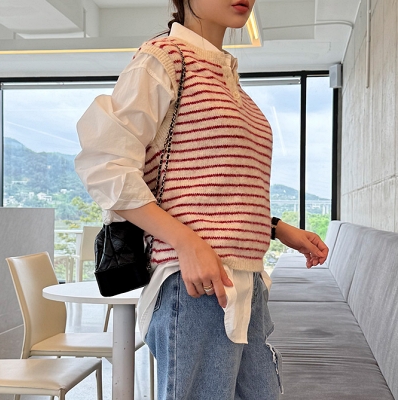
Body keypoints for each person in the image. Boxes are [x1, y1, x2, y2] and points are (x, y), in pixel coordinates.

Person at [75, 0, 329, 398]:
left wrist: (278, 228)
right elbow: (105, 164)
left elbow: (214, 188)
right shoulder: (164, 60)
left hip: (247, 283)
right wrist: (185, 241)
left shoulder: (225, 76)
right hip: (196, 287)